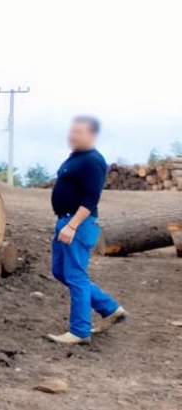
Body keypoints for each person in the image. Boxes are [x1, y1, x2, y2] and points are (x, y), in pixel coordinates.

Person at [46, 116, 128, 345]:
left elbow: (91, 198)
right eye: (72, 131)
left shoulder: (93, 160)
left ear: (91, 135)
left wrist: (73, 225)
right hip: (65, 220)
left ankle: (80, 331)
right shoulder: (77, 158)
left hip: (77, 223)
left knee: (75, 276)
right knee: (60, 271)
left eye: (79, 132)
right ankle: (110, 308)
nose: (72, 135)